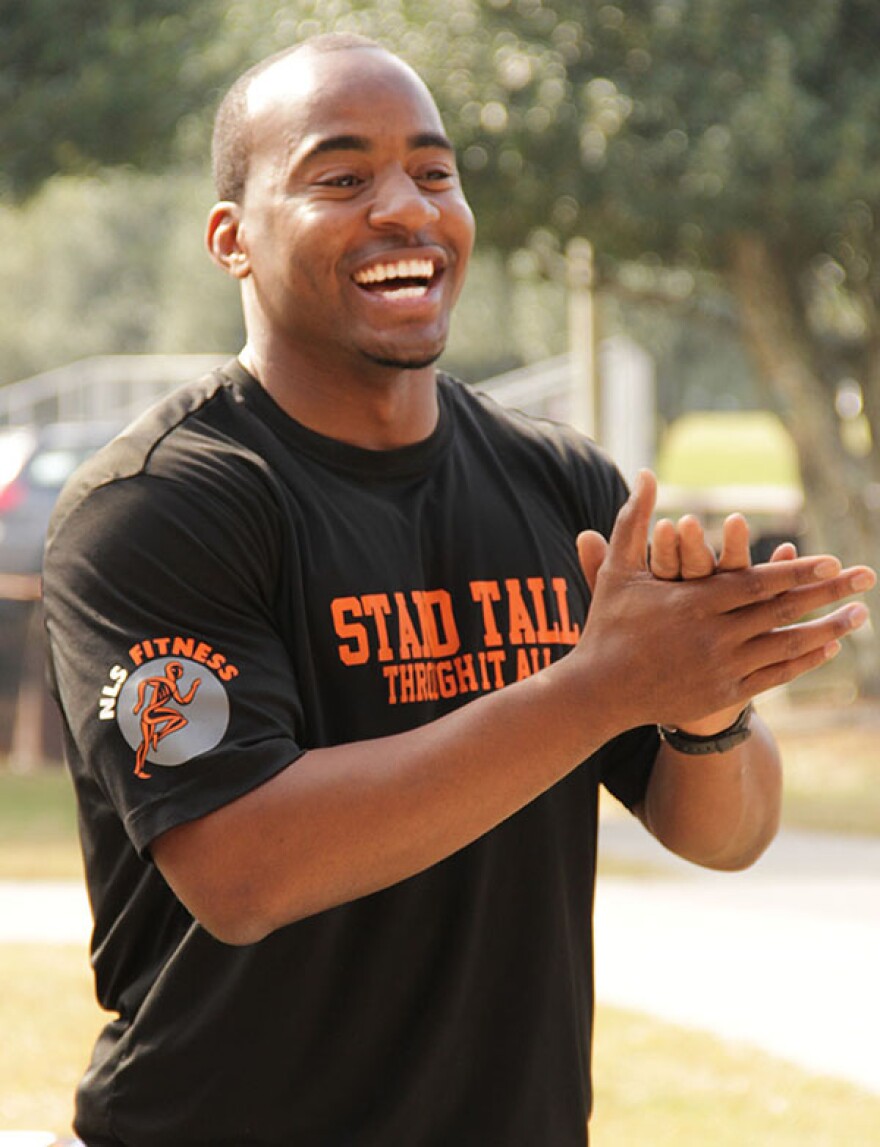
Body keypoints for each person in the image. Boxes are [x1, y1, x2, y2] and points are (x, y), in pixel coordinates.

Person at [42, 33, 875, 1147]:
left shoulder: (563, 486)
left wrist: (704, 705)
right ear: (231, 240)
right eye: (340, 177)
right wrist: (601, 688)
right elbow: (242, 866)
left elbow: (721, 834)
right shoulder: (157, 506)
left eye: (435, 172)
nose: (406, 208)